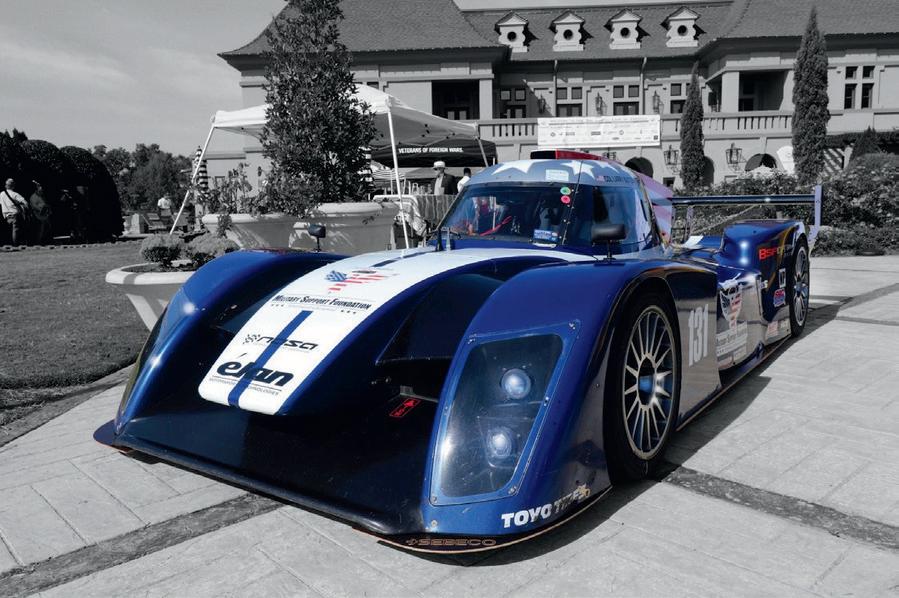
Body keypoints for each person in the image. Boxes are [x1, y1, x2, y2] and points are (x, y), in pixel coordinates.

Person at [1, 178, 29, 246]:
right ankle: (16, 245)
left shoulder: (1, 194)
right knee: (16, 231)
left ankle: (10, 244)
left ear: (6, 186)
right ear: (13, 186)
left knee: (9, 231)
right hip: (15, 215)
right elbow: (25, 203)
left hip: (6, 216)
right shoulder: (15, 194)